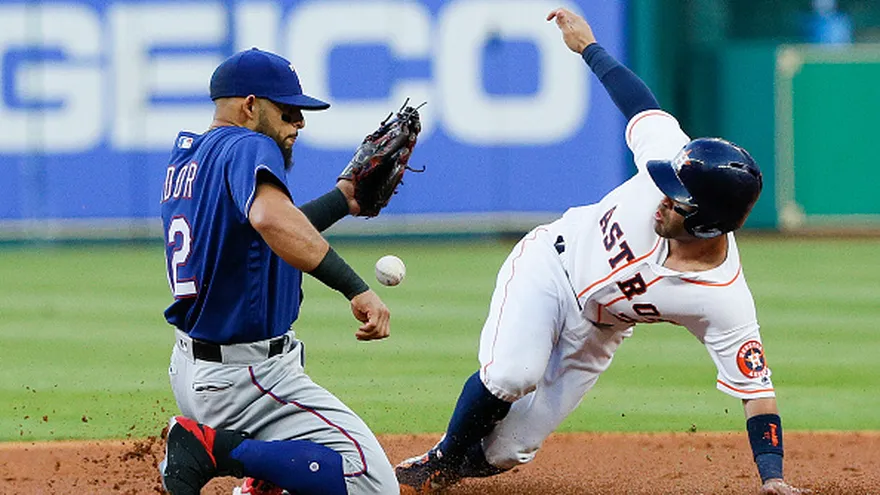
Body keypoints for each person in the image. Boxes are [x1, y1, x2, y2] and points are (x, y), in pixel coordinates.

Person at [395, 8, 808, 495]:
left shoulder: (722, 298)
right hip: (550, 266)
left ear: (707, 224)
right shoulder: (668, 154)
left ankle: (455, 466)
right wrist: (589, 47)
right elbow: (639, 103)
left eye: (677, 201)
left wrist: (773, 477)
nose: (662, 199)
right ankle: (438, 463)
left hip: (596, 331)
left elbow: (758, 394)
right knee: (512, 374)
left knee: (507, 452)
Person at [157, 47, 399, 495]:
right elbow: (271, 219)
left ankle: (262, 479)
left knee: (308, 467)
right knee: (372, 484)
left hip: (197, 369)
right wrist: (355, 288)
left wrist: (343, 200)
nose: (299, 123)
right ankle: (213, 449)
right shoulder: (250, 144)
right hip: (247, 379)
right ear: (250, 106)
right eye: (288, 111)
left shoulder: (192, 155)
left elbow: (260, 235)